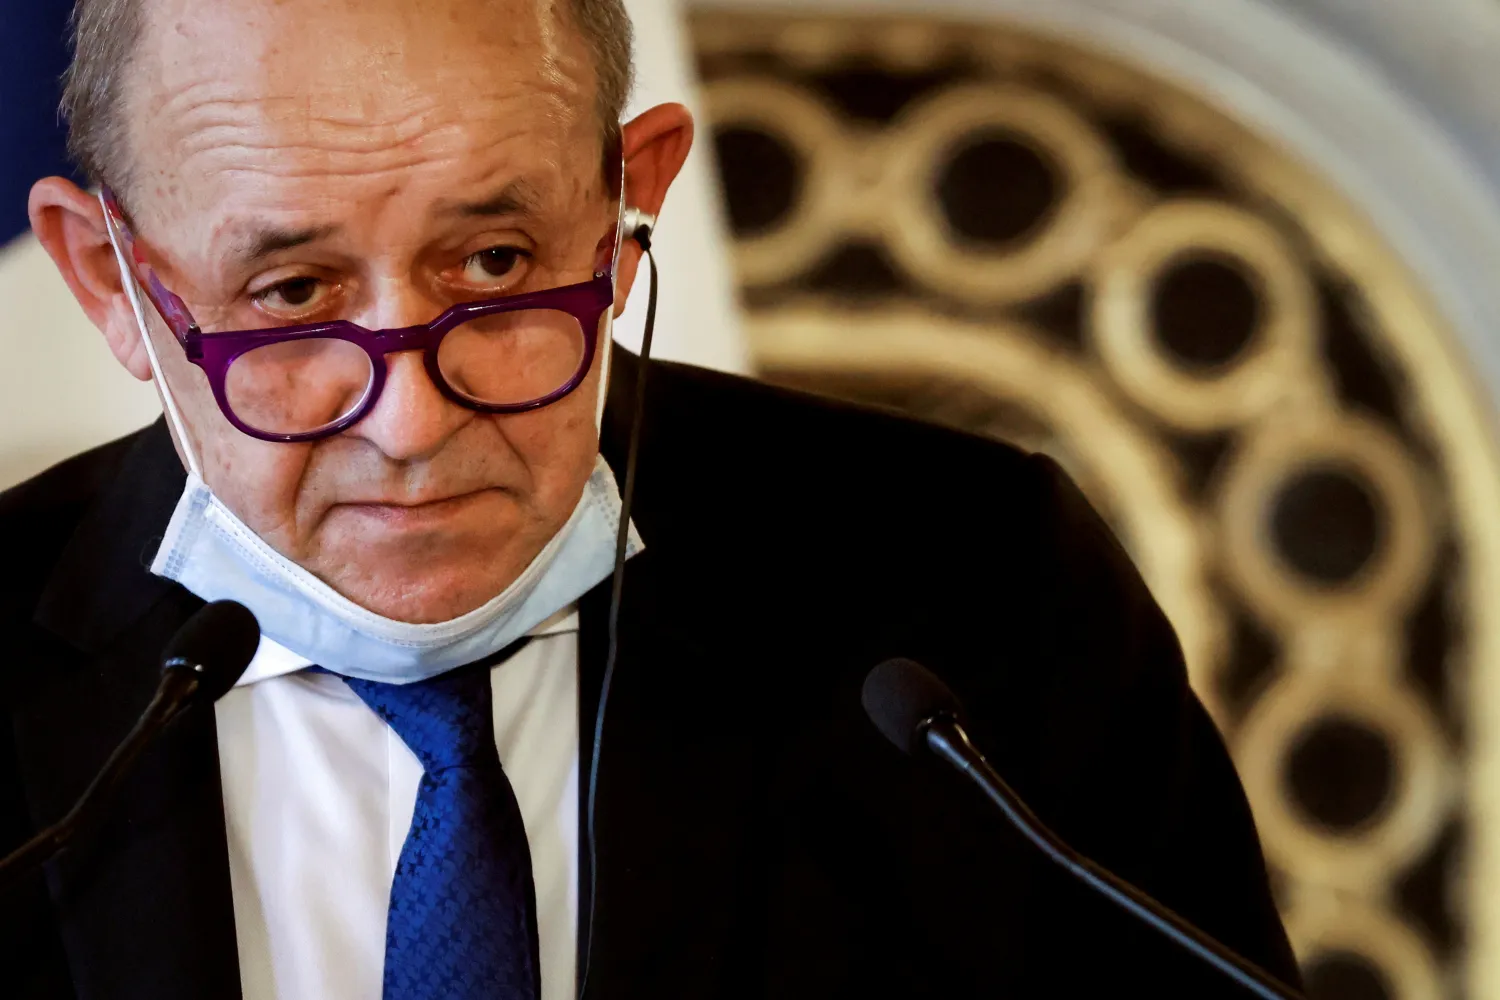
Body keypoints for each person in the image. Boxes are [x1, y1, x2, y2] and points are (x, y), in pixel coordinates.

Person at [1, 0, 1301, 997]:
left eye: (497, 265)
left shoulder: (981, 597)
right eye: (291, 296)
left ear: (634, 199)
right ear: (110, 279)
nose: (409, 424)